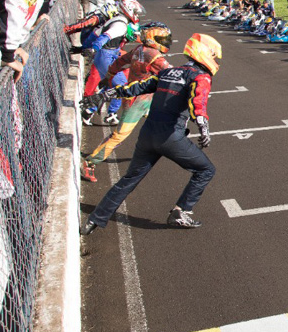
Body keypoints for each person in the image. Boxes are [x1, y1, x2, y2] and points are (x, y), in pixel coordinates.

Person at [79, 33, 222, 233]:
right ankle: (182, 212)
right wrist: (203, 125)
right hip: (170, 137)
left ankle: (94, 220)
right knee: (206, 170)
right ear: (205, 54)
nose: (214, 60)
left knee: (129, 179)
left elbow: (136, 87)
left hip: (147, 135)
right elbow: (198, 100)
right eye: (213, 55)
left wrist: (106, 94)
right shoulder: (200, 76)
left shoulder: (169, 72)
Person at [80, 22, 173, 183]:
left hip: (142, 98)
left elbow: (120, 62)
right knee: (119, 135)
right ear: (152, 38)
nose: (166, 42)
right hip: (138, 102)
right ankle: (89, 162)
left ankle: (166, 148)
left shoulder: (139, 50)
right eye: (162, 39)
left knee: (163, 123)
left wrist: (108, 77)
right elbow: (173, 74)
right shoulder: (155, 56)